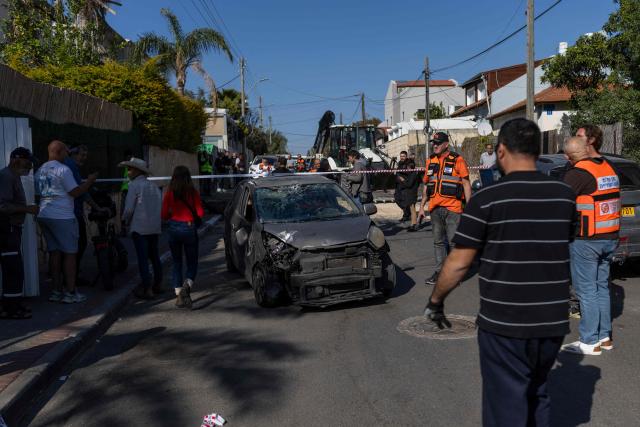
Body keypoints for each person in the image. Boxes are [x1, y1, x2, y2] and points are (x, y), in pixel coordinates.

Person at [423, 119, 576, 427]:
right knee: (538, 394)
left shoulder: (487, 199)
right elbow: (565, 244)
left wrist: (436, 301)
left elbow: (459, 262)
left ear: (501, 151)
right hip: (551, 321)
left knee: (506, 404)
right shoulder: (564, 195)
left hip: (506, 322)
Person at [560, 137, 619, 356]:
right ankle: (604, 337)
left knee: (586, 291)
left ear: (568, 157)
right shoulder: (607, 167)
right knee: (601, 287)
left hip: (587, 240)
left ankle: (589, 341)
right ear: (586, 149)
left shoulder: (577, 174)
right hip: (610, 237)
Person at [36, 140, 97, 304]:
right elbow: (76, 192)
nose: (68, 154)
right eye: (66, 152)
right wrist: (90, 181)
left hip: (44, 214)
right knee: (70, 255)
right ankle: (70, 292)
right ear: (60, 152)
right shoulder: (64, 169)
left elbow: (38, 192)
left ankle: (56, 291)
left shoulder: (40, 169)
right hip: (62, 216)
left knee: (55, 254)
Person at [418, 131, 471, 285]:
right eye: (433, 143)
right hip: (434, 209)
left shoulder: (457, 159)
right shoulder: (430, 161)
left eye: (438, 143)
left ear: (446, 144)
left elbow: (466, 184)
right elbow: (427, 185)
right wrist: (421, 207)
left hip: (453, 209)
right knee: (438, 242)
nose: (434, 145)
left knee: (454, 242)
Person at [0, 148, 39, 319]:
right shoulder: (6, 177)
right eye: (27, 162)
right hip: (6, 229)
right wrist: (27, 209)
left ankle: (13, 304)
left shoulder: (13, 176)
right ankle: (11, 309)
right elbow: (3, 206)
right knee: (12, 270)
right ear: (16, 160)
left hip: (12, 229)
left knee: (14, 269)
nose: (29, 167)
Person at [120, 157, 163, 300]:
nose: (128, 171)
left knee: (143, 259)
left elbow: (128, 209)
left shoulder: (133, 186)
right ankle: (158, 284)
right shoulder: (154, 186)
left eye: (130, 169)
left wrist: (124, 221)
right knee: (155, 257)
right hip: (154, 227)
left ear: (138, 171)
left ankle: (147, 288)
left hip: (139, 227)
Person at [161, 166, 204, 309]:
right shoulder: (192, 193)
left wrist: (173, 215)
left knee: (177, 262)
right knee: (192, 262)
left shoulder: (169, 193)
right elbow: (200, 213)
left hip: (173, 229)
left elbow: (164, 215)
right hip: (189, 227)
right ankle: (187, 287)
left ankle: (178, 293)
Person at [64, 145, 106, 287]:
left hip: (69, 212)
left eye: (85, 155)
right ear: (72, 154)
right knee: (79, 244)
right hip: (72, 212)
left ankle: (70, 276)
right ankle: (71, 278)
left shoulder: (69, 166)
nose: (84, 158)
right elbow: (79, 191)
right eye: (82, 155)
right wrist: (90, 181)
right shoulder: (70, 167)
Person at [394, 151, 420, 232]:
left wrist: (402, 180)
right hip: (407, 191)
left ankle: (414, 225)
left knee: (412, 209)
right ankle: (413, 223)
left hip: (411, 192)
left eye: (408, 167)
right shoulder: (411, 172)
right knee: (410, 208)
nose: (407, 169)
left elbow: (409, 183)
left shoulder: (413, 174)